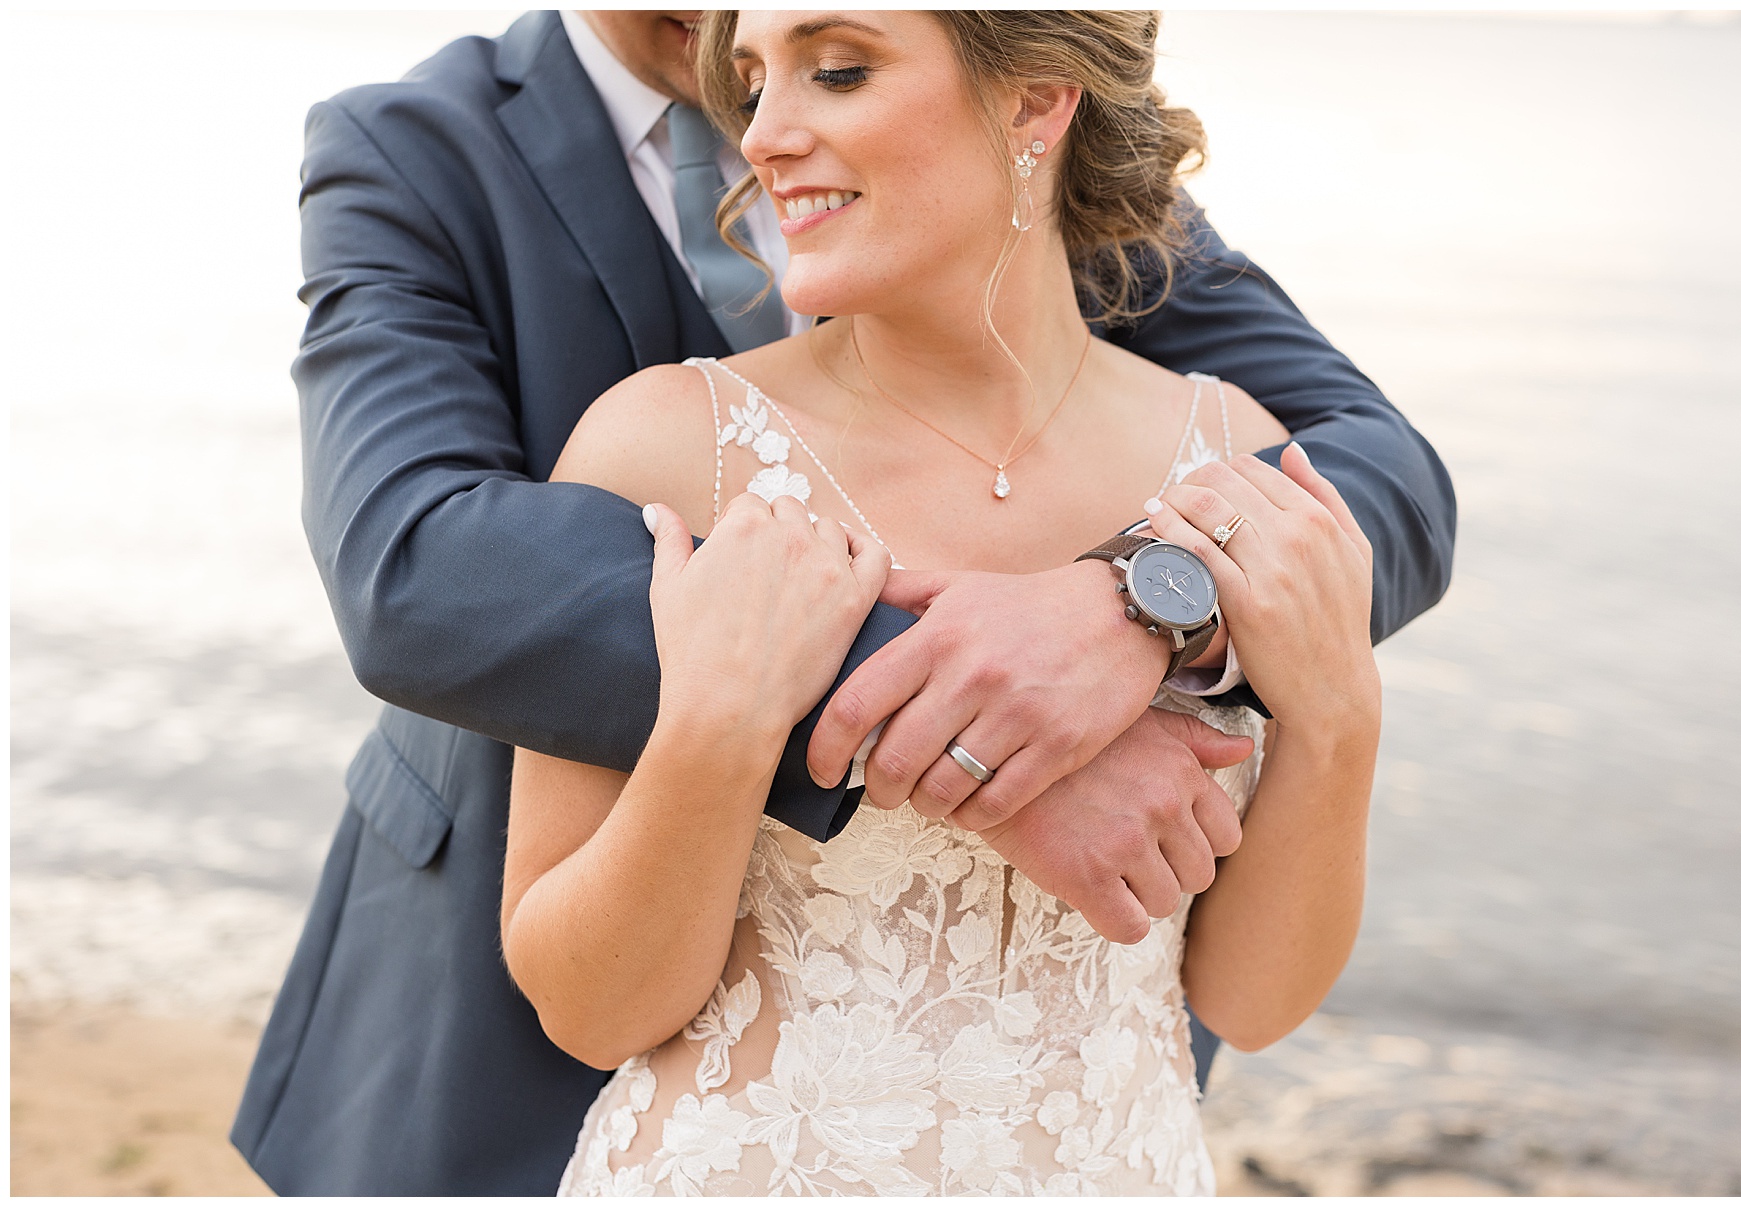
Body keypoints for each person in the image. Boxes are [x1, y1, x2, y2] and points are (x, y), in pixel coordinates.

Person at [231, 7, 1454, 1197]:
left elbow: (1376, 466)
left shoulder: (1213, 447)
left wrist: (1144, 609)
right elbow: (411, 569)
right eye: (756, 75)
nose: (757, 127)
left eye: (837, 68)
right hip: (571, 1074)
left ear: (1039, 100)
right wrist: (963, 716)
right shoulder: (442, 187)